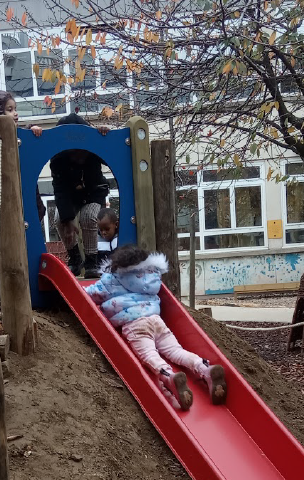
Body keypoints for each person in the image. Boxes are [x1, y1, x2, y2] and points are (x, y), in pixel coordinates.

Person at [85, 245, 228, 409]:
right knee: (176, 350)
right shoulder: (151, 275)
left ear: (118, 262)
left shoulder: (113, 277)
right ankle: (204, 368)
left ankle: (169, 376)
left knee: (149, 354)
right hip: (156, 320)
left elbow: (91, 294)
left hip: (135, 325)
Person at [49, 112, 112, 277]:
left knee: (89, 216)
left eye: (81, 151)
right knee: (59, 219)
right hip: (71, 195)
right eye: (73, 153)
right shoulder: (58, 160)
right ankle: (74, 258)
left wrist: (103, 135)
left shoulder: (93, 152)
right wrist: (67, 219)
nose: (79, 157)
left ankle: (92, 261)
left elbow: (110, 155)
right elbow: (60, 189)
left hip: (94, 191)